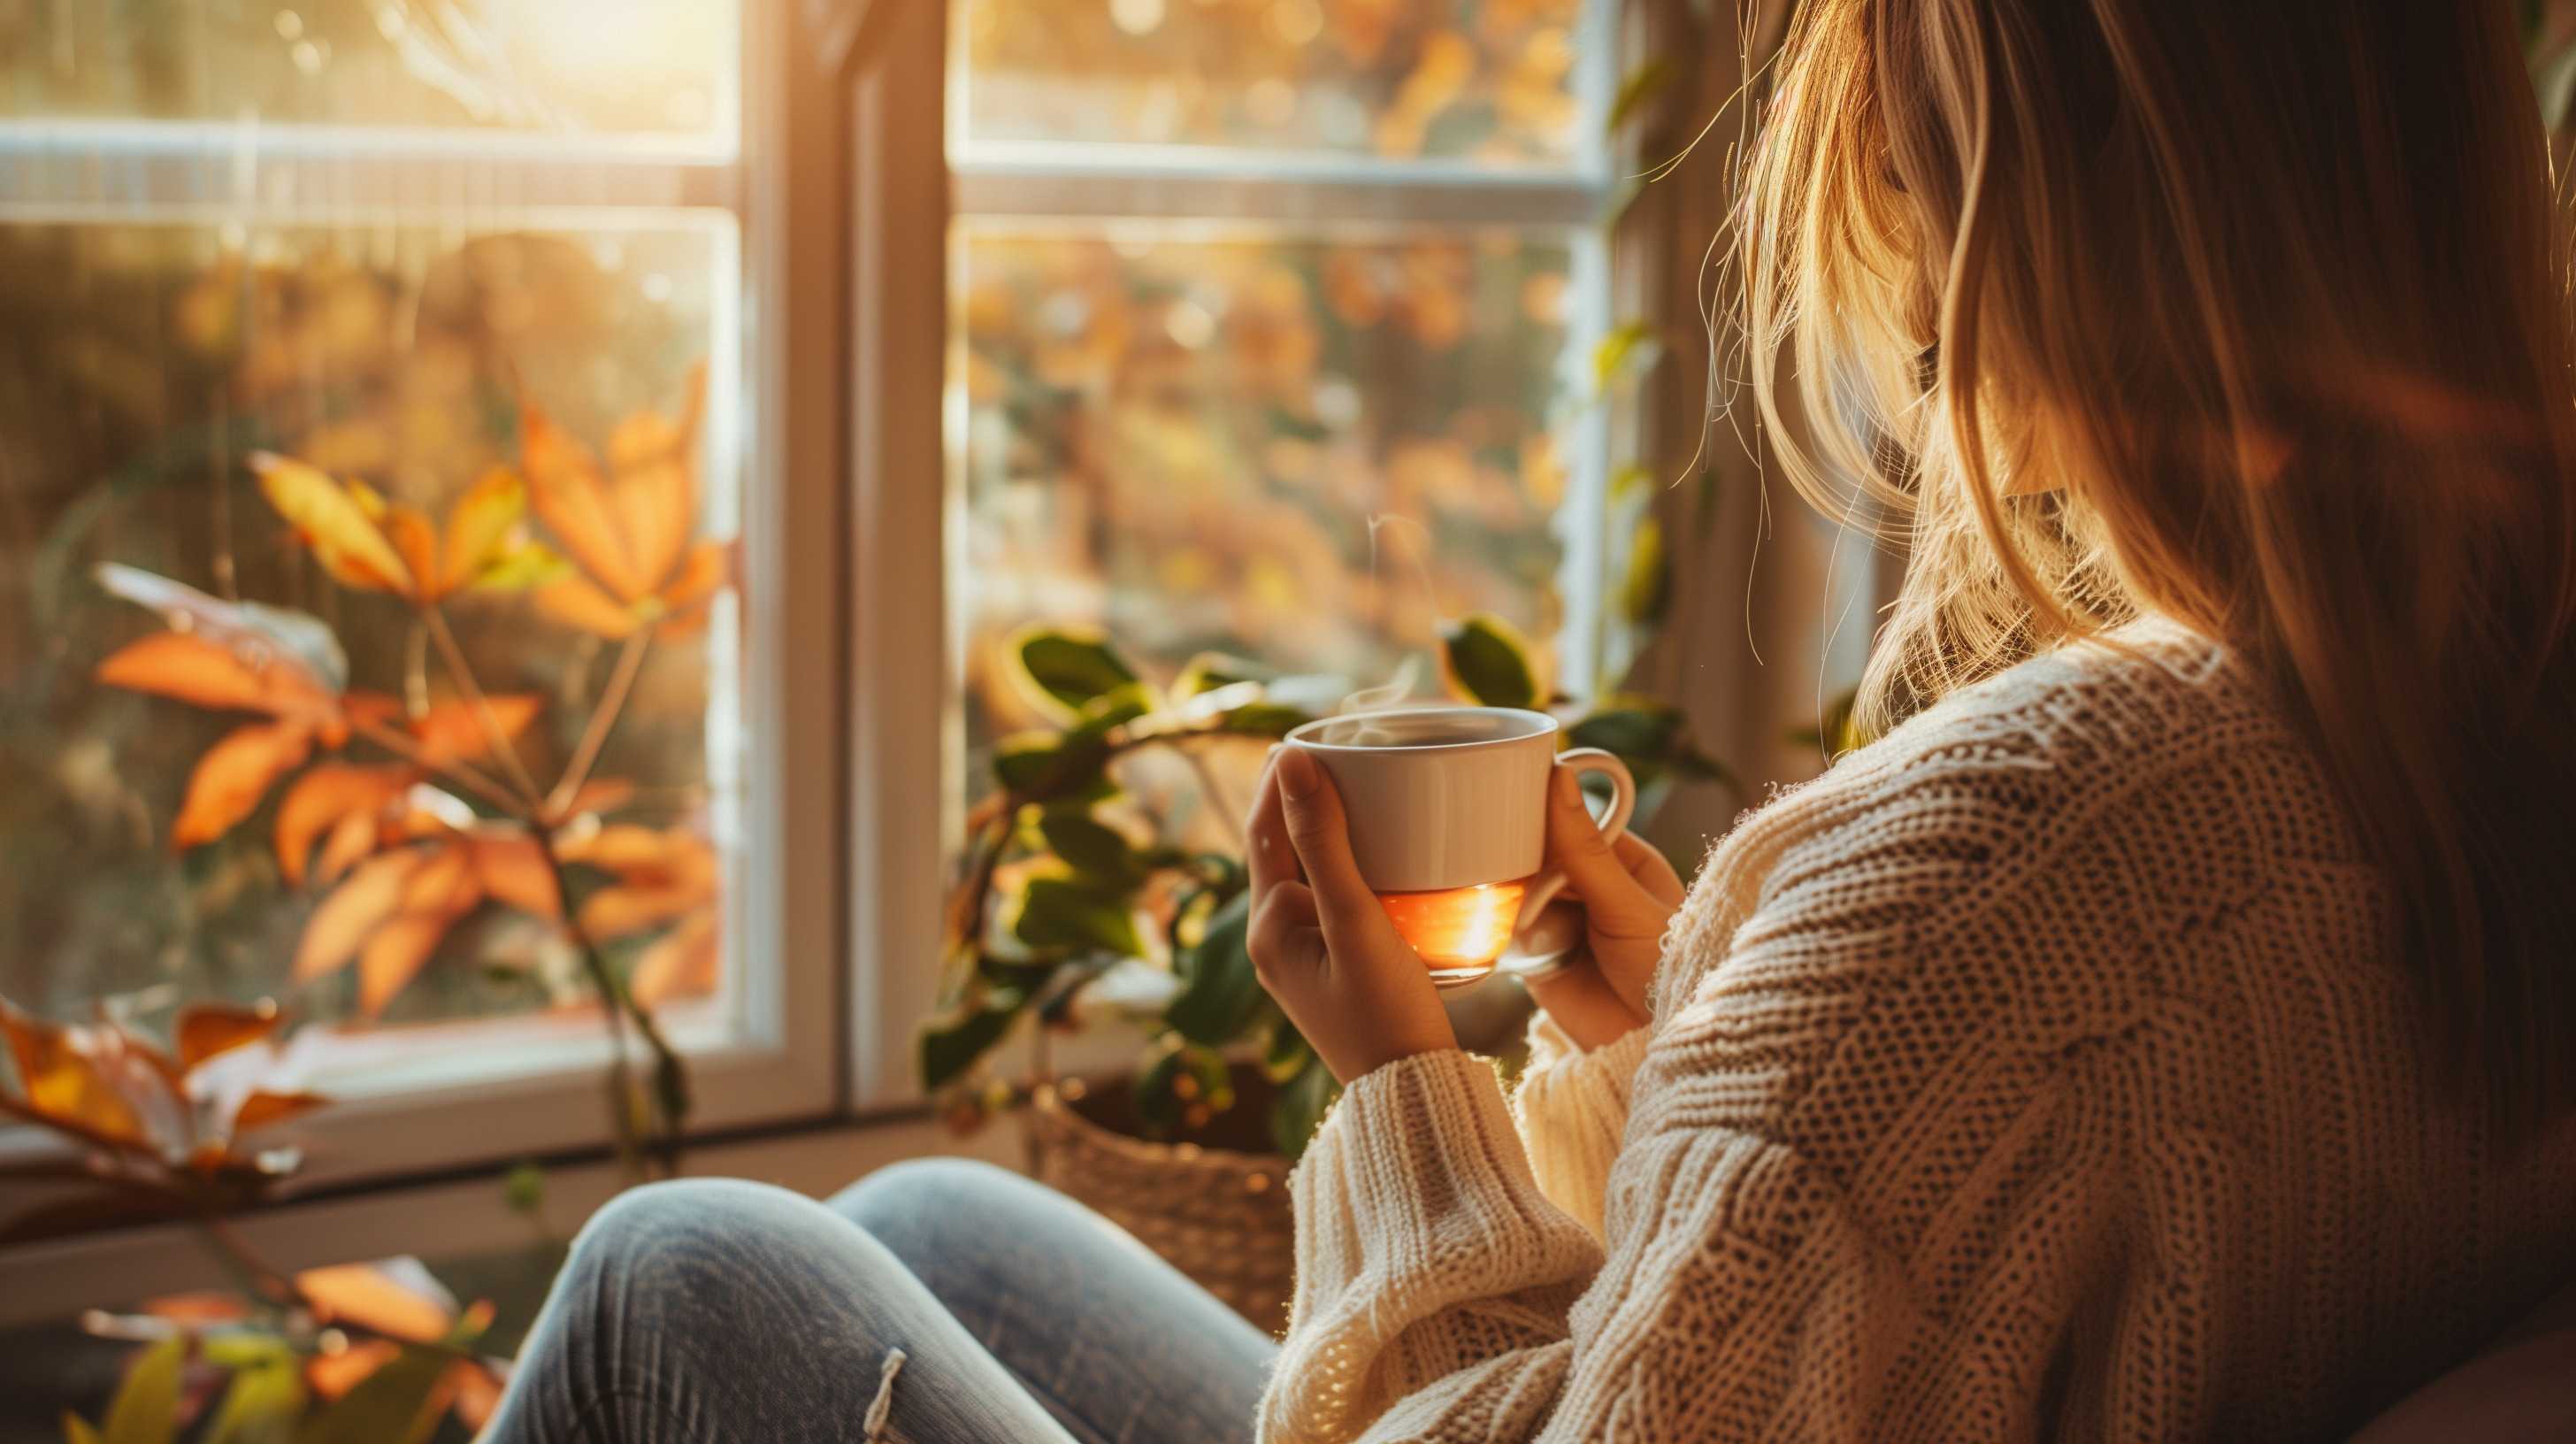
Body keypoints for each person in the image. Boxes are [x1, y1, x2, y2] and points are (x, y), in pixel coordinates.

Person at [486, 1, 2576, 1439]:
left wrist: (1404, 1087)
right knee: (923, 1225)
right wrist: (1693, 1050)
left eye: (1910, 222)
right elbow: (2002, 1221)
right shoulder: (2486, 715)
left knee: (684, 1268)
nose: (1920, 323)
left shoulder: (2000, 864)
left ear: (2009, 220)